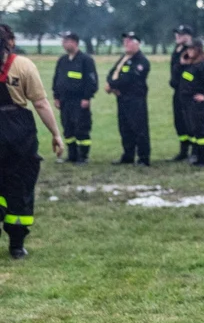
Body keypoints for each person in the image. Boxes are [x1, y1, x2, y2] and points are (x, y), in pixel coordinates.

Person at [0, 24, 64, 259]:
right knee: (19, 184)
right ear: (11, 42)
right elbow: (40, 103)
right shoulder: (23, 65)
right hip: (18, 131)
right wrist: (56, 134)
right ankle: (16, 245)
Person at [105, 32, 151, 166]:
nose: (126, 43)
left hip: (135, 99)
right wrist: (110, 83)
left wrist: (112, 85)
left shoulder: (141, 61)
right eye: (125, 40)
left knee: (139, 128)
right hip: (122, 99)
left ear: (137, 43)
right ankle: (128, 155)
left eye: (130, 41)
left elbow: (129, 78)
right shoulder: (123, 58)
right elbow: (112, 73)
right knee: (125, 128)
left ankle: (143, 157)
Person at [52, 31, 98, 164]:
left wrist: (87, 97)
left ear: (74, 42)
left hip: (79, 100)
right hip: (65, 101)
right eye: (63, 41)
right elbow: (57, 79)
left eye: (66, 41)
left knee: (81, 128)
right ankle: (71, 154)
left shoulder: (86, 60)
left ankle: (83, 156)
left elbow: (91, 81)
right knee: (68, 127)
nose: (64, 44)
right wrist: (56, 96)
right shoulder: (62, 60)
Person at [177, 39, 204, 168]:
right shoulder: (190, 65)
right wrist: (182, 63)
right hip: (187, 102)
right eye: (187, 49)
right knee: (193, 130)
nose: (189, 51)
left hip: (198, 104)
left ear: (199, 50)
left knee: (201, 131)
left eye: (192, 49)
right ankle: (197, 156)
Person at [169, 25, 194, 160]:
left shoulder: (190, 51)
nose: (177, 36)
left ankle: (195, 151)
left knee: (190, 121)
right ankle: (183, 150)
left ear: (188, 36)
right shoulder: (177, 49)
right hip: (177, 90)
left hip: (188, 91)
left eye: (181, 34)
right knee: (179, 121)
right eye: (176, 33)